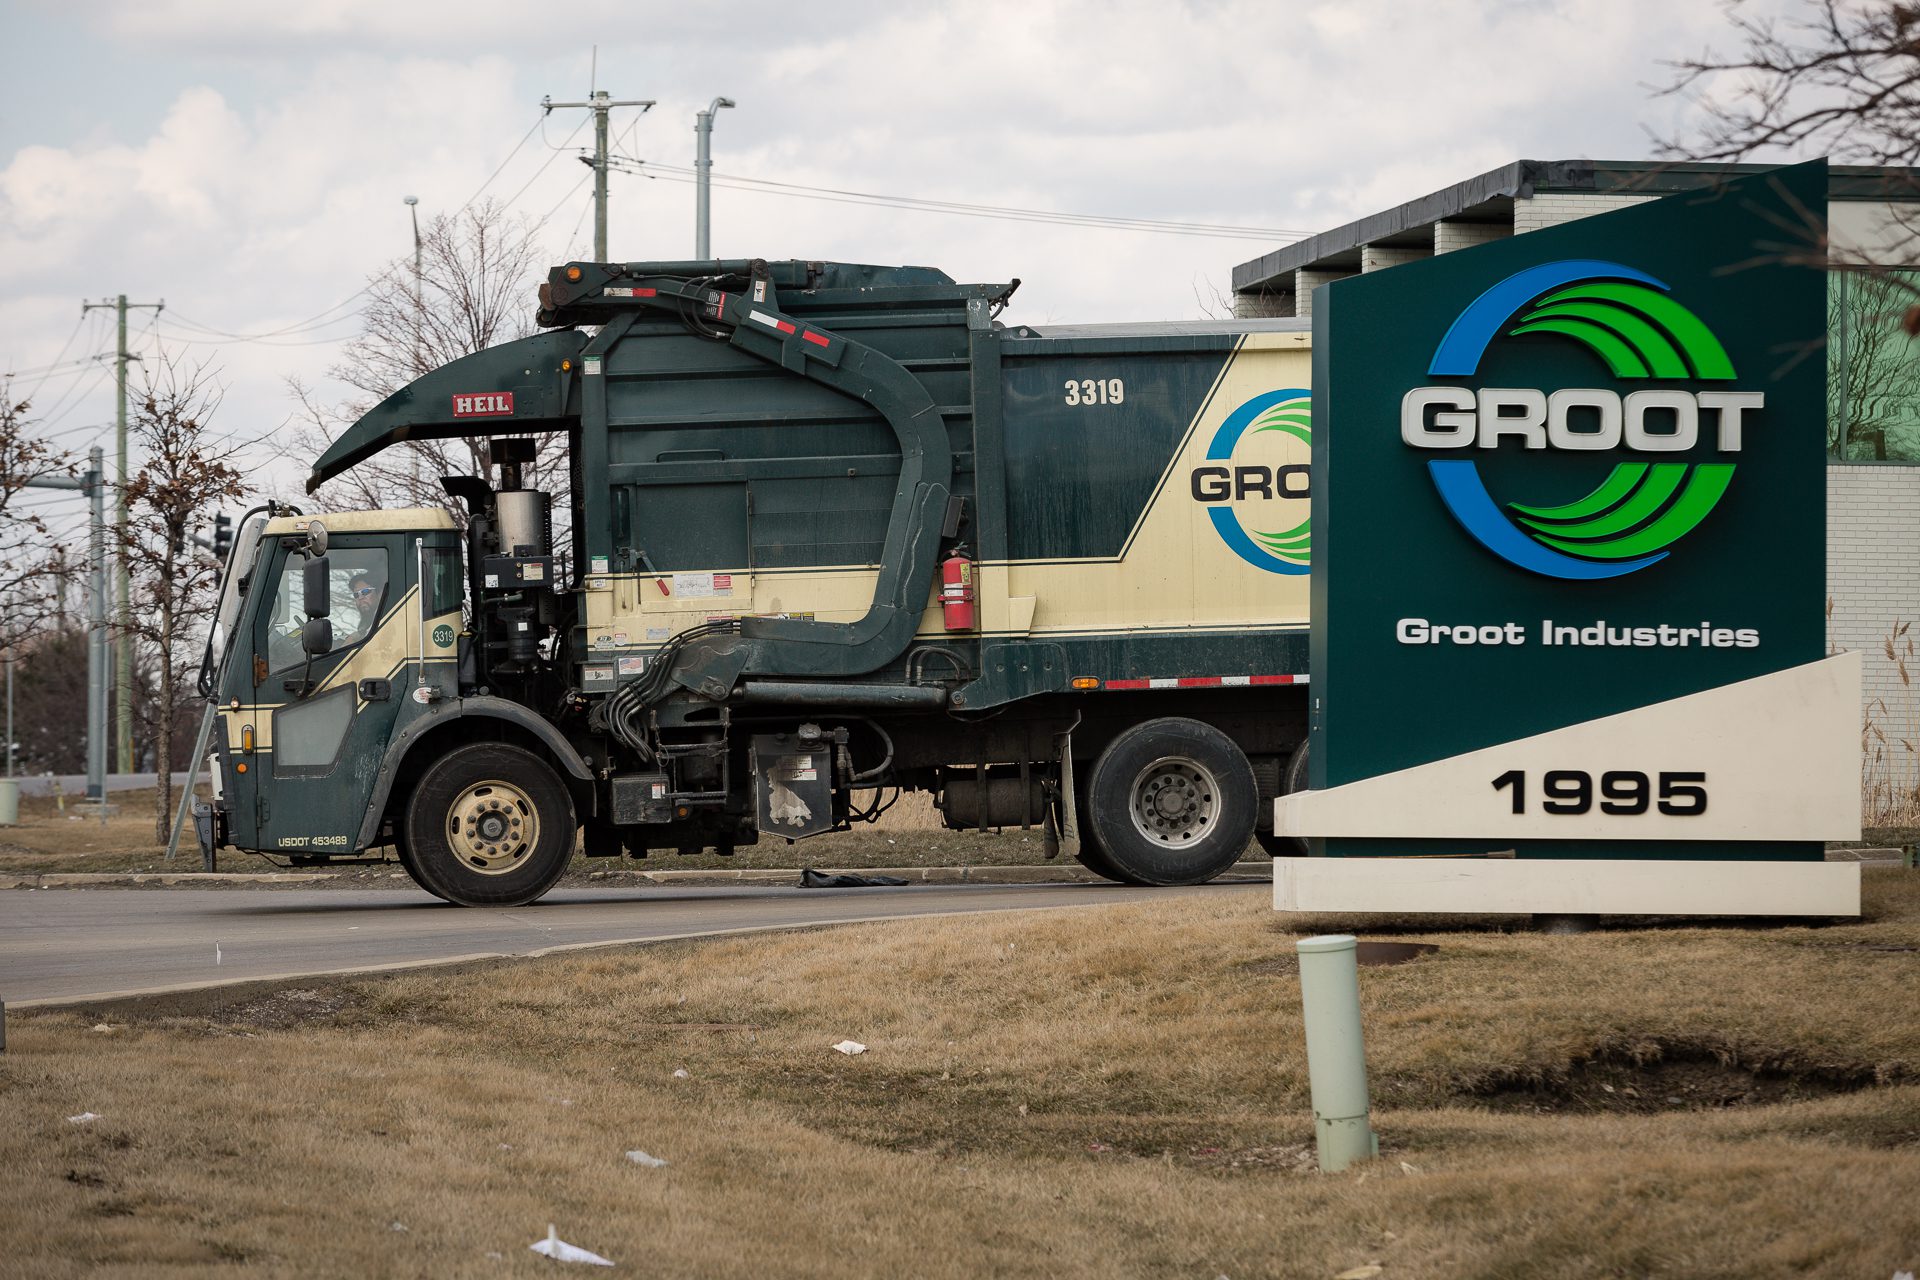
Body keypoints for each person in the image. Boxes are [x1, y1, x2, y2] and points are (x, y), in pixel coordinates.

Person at [342, 571, 382, 644]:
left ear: (379, 593)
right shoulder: (367, 624)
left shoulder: (386, 618)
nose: (360, 598)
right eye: (356, 595)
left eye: (365, 592)